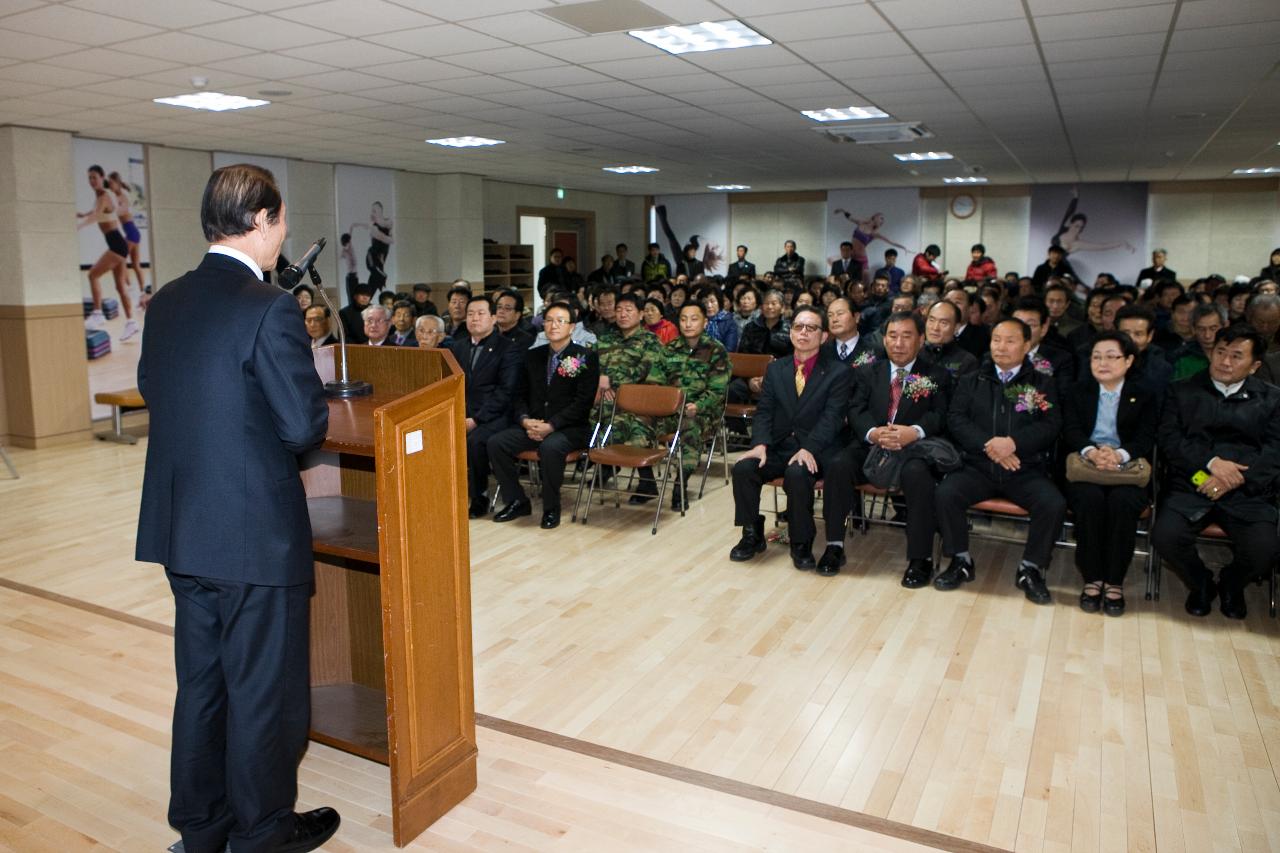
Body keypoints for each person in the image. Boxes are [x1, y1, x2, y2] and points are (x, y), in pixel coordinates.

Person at [136, 164, 339, 853]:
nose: (282, 234)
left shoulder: (165, 302)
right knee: (263, 694)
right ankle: (262, 834)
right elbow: (300, 426)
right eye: (280, 221)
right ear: (262, 220)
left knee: (203, 686)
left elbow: (162, 393)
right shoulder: (269, 307)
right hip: (253, 537)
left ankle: (202, 829)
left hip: (184, 529)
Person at [934, 319, 1067, 604]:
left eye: (1010, 341)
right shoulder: (973, 379)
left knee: (1053, 504)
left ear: (1027, 345)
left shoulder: (1042, 383)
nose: (1001, 347)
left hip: (1023, 468)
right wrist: (989, 446)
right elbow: (956, 419)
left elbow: (1051, 424)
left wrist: (1013, 445)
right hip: (978, 466)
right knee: (946, 493)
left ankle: (1030, 567)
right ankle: (960, 560)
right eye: (996, 340)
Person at [1153, 325, 1280, 618]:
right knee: (1166, 536)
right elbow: (1170, 440)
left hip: (1247, 491)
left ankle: (1232, 586)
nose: (1225, 362)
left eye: (1236, 356)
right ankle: (1201, 584)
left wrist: (1235, 480)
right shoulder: (1182, 390)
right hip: (1192, 483)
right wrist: (1211, 464)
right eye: (1220, 352)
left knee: (1265, 549)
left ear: (1255, 365)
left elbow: (1274, 452)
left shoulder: (1272, 400)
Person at [822, 312, 952, 582]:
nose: (899, 343)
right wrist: (874, 433)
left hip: (913, 449)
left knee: (918, 476)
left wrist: (913, 432)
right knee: (838, 465)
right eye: (892, 336)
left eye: (907, 336)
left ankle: (920, 558)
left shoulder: (936, 374)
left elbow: (940, 415)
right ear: (884, 339)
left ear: (921, 339)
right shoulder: (869, 372)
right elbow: (855, 409)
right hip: (872, 444)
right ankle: (834, 545)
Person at [728, 305, 852, 568]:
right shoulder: (776, 369)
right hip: (779, 445)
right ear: (791, 332)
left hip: (817, 448)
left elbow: (832, 418)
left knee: (797, 473)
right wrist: (760, 444)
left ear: (824, 336)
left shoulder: (838, 372)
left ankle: (801, 541)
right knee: (743, 468)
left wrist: (809, 448)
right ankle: (752, 533)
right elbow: (764, 412)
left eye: (811, 328)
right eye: (798, 327)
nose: (803, 333)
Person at [1060, 331, 1157, 616]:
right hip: (1086, 466)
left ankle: (1114, 581)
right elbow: (1071, 431)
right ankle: (1093, 578)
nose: (1102, 363)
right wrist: (1092, 451)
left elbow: (1146, 436)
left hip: (1126, 468)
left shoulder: (1145, 394)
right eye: (1096, 357)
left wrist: (1119, 455)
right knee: (1089, 501)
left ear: (1128, 361)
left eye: (1111, 357)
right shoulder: (1078, 391)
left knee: (1122, 503)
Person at [488, 302, 601, 530]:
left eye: (560, 321)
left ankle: (551, 507)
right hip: (535, 424)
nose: (553, 325)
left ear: (571, 327)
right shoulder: (533, 356)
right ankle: (517, 500)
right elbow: (518, 395)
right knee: (496, 443)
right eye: (549, 320)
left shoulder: (585, 356)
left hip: (571, 428)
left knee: (550, 448)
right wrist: (524, 420)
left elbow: (583, 403)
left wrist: (552, 425)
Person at [646, 301, 731, 509]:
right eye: (683, 319)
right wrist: (663, 404)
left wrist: (698, 406)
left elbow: (717, 391)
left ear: (705, 322)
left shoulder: (716, 350)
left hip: (702, 412)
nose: (687, 324)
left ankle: (679, 484)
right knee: (638, 422)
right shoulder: (670, 348)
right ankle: (645, 482)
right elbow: (655, 381)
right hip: (669, 411)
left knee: (689, 427)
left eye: (694, 319)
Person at [446, 295, 522, 518]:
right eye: (470, 314)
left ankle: (479, 497)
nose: (474, 319)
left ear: (493, 318)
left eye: (480, 314)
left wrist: (476, 419)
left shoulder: (508, 348)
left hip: (496, 416)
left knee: (475, 441)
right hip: (463, 413)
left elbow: (506, 391)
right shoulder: (458, 347)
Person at [596, 293, 665, 502]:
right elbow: (589, 364)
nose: (622, 314)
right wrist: (599, 378)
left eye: (629, 310)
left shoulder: (650, 342)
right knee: (596, 419)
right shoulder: (606, 339)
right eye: (619, 309)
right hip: (607, 400)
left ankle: (647, 483)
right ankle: (608, 465)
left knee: (635, 427)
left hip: (641, 403)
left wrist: (610, 380)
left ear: (641, 314)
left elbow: (646, 374)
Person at [78, 165, 138, 339]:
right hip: (117, 243)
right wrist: (83, 215)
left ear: (102, 177)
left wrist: (80, 225)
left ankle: (98, 314)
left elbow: (97, 215)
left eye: (94, 177)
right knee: (120, 287)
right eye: (89, 178)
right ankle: (131, 323)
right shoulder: (101, 197)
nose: (91, 181)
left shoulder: (104, 195)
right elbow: (96, 211)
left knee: (92, 275)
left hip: (116, 245)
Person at [1011, 297, 1075, 399]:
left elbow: (1060, 399)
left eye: (1030, 325)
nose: (1022, 332)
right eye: (1017, 324)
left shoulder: (1061, 360)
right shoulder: (995, 356)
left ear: (1044, 328)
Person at [1114, 304, 1173, 401]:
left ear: (1150, 336)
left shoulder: (1161, 370)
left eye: (1138, 334)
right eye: (1125, 333)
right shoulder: (1096, 362)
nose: (1131, 339)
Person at [832, 210, 909, 279]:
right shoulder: (861, 223)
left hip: (861, 258)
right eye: (881, 218)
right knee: (841, 271)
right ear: (874, 217)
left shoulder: (874, 233)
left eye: (883, 220)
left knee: (865, 279)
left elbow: (891, 242)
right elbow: (850, 217)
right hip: (851, 256)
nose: (882, 220)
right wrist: (842, 211)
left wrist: (904, 248)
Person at [922, 299, 979, 378]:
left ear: (956, 327)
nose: (935, 328)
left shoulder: (967, 362)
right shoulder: (913, 353)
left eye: (943, 323)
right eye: (931, 320)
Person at [1172, 302, 1226, 381]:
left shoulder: (1235, 354)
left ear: (1225, 325)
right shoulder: (1182, 358)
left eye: (1213, 329)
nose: (1207, 335)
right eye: (1201, 329)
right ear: (1193, 329)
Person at [822, 297, 876, 365]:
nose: (834, 319)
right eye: (830, 315)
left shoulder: (874, 351)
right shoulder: (821, 352)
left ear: (856, 317)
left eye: (840, 313)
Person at [944, 287, 990, 359]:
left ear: (970, 309)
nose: (951, 306)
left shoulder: (983, 337)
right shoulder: (932, 332)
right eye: (947, 302)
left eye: (957, 302)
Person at [702, 288, 740, 353]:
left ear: (719, 302)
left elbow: (729, 349)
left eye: (712, 301)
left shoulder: (729, 322)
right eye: (705, 302)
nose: (709, 305)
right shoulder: (698, 320)